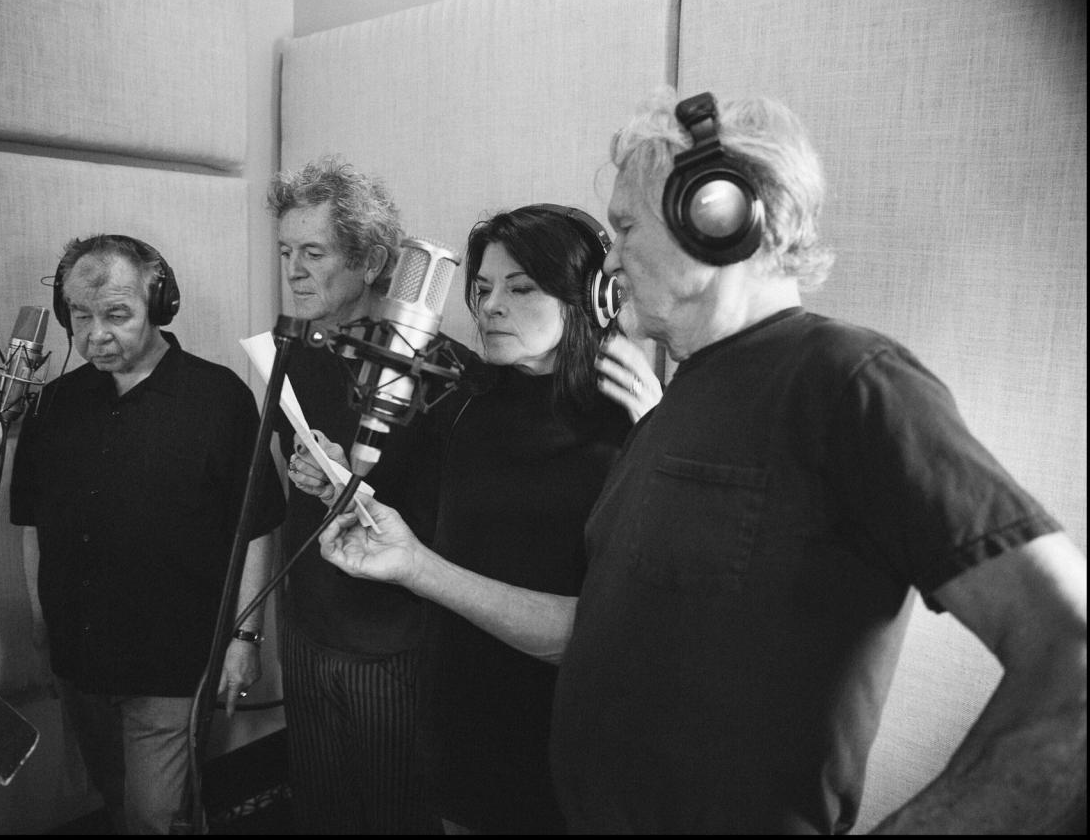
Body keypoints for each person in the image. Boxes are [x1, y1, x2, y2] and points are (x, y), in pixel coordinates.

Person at [316, 89, 1087, 834]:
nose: (609, 261)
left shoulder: (850, 382)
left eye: (625, 227)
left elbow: (1072, 657)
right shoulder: (678, 399)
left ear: (714, 216)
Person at [290, 203, 660, 833]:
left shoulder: (630, 428)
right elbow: (438, 531)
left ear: (594, 300)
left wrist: (417, 568)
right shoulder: (465, 402)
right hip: (456, 725)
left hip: (560, 751)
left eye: (521, 289)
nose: (490, 306)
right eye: (483, 288)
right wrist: (344, 492)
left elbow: (591, 636)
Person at [10, 234, 285, 834]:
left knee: (157, 816)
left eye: (116, 315)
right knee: (114, 800)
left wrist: (246, 637)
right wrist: (40, 620)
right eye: (80, 317)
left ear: (158, 305)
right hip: (79, 655)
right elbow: (31, 522)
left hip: (174, 660)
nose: (95, 336)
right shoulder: (51, 405)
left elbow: (258, 526)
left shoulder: (219, 400)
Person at [266, 157, 484, 834]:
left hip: (394, 645)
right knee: (322, 812)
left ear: (369, 260)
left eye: (313, 252)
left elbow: (464, 530)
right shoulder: (294, 350)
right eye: (285, 251)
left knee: (394, 816)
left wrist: (355, 485)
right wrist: (313, 475)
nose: (293, 270)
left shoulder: (449, 375)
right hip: (306, 628)